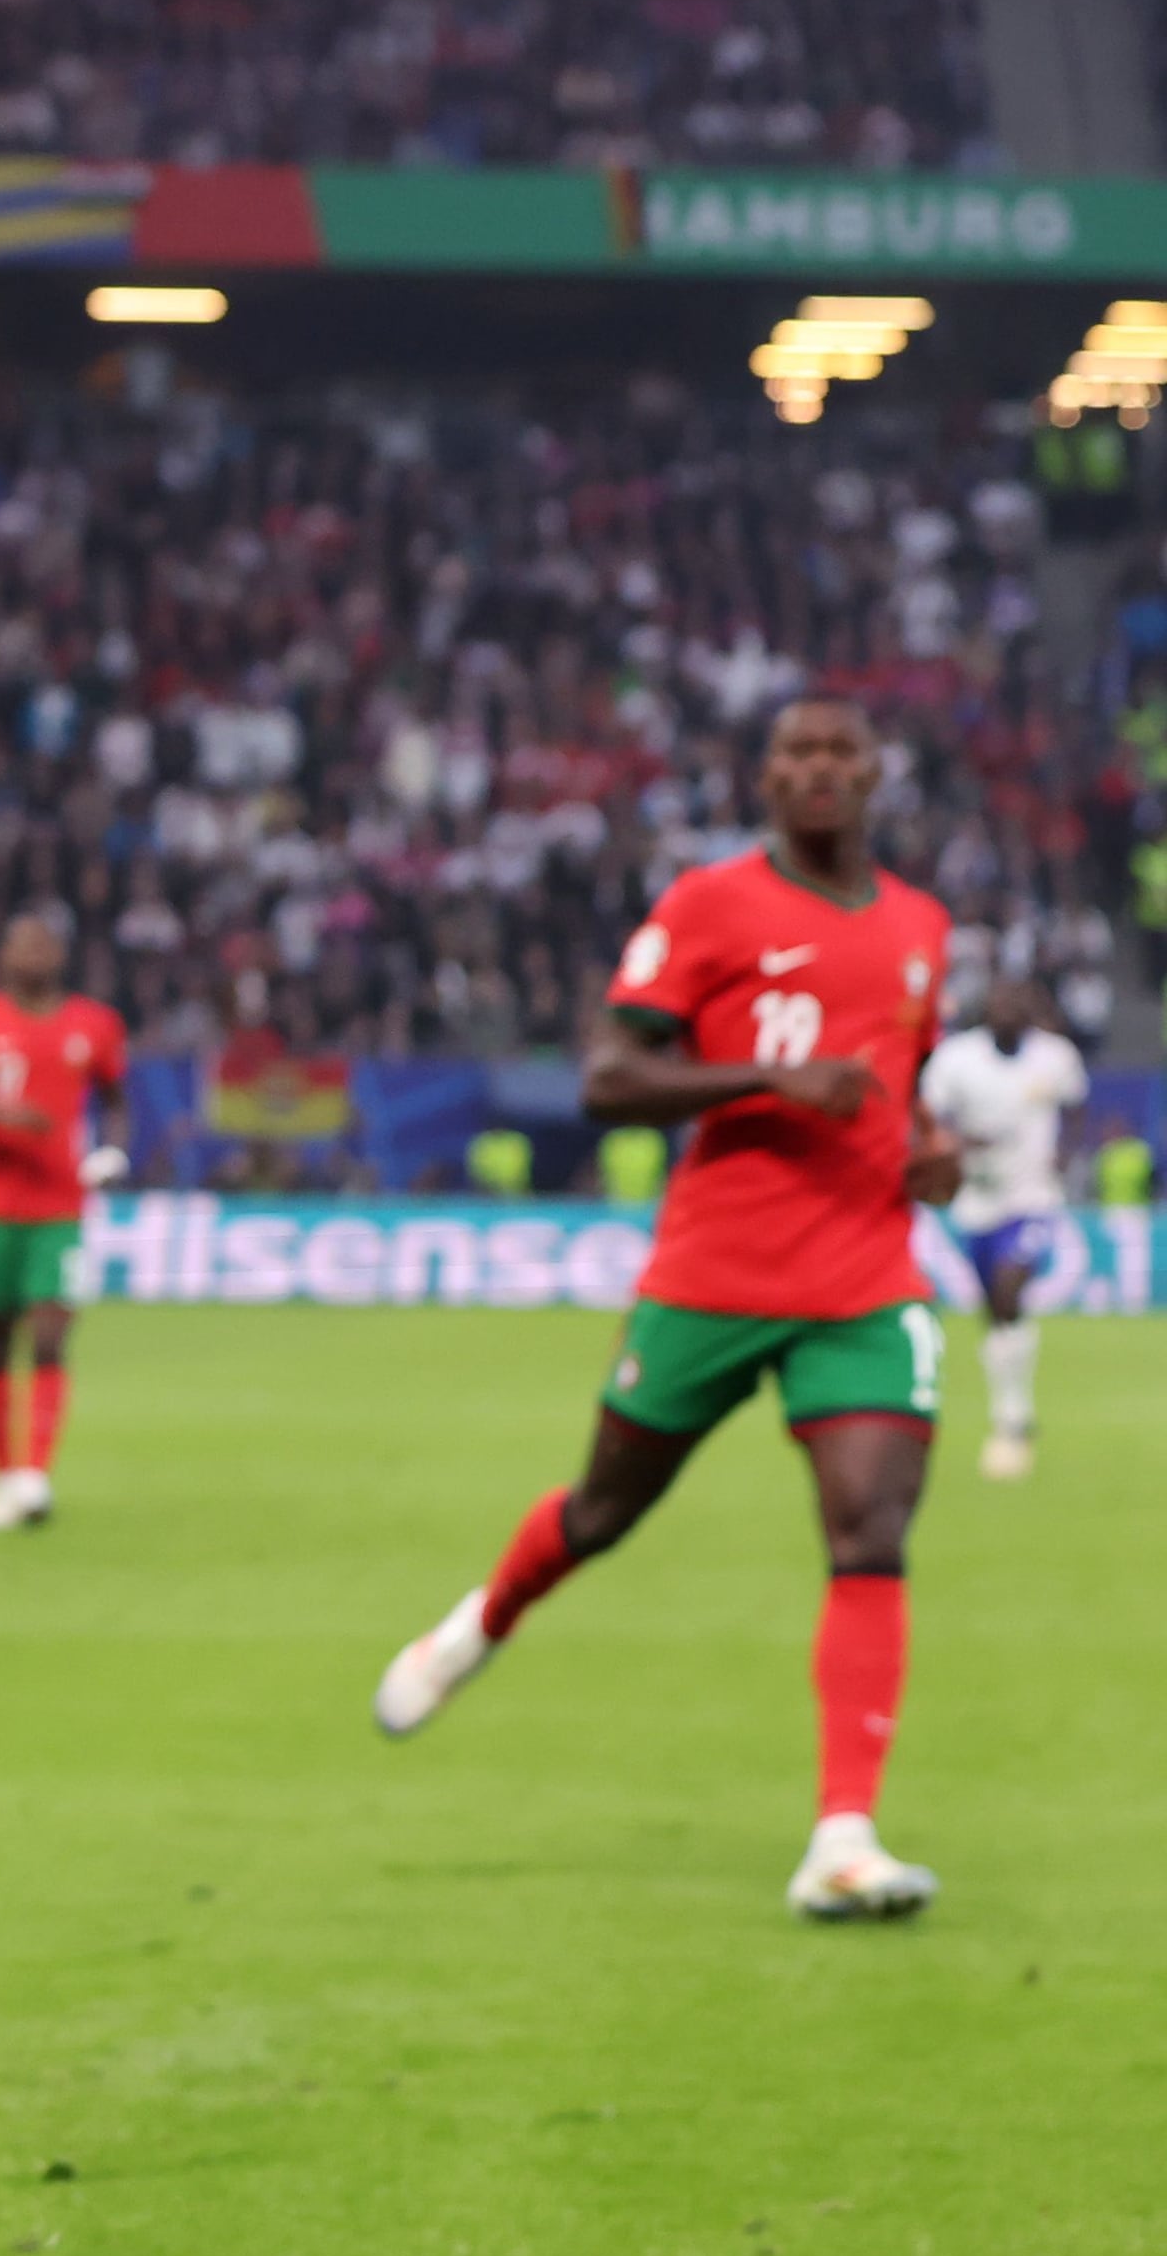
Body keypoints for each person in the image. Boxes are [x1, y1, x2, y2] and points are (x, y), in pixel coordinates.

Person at [372, 699, 961, 1921]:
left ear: (871, 773)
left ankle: (840, 1838)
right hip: (713, 1273)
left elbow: (896, 1078)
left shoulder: (921, 926)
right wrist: (762, 1075)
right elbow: (604, 1078)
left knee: (868, 1528)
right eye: (791, 753)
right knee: (600, 1510)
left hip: (863, 1275)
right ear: (762, 777)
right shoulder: (707, 906)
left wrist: (930, 1148)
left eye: (836, 752)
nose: (813, 770)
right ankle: (477, 1625)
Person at [0, 911, 128, 1533]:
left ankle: (34, 1475)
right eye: (23, 942)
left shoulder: (93, 1025)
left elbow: (117, 1103)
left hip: (61, 1208)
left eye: (44, 943)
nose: (34, 952)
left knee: (48, 1337)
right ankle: (2, 1476)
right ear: (3, 955)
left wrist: (113, 1153)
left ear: (60, 956)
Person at [921, 967, 1085, 1481]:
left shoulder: (1054, 1057)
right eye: (1000, 1004)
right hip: (977, 1200)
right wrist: (955, 1146)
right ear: (986, 1010)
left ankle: (1012, 1416)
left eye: (1018, 1004)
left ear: (1030, 1012)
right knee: (995, 1309)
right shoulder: (957, 1059)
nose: (1008, 1013)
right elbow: (931, 1116)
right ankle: (1012, 1407)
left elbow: (1076, 1105)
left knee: (1011, 1287)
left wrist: (1064, 1150)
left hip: (1034, 1196)